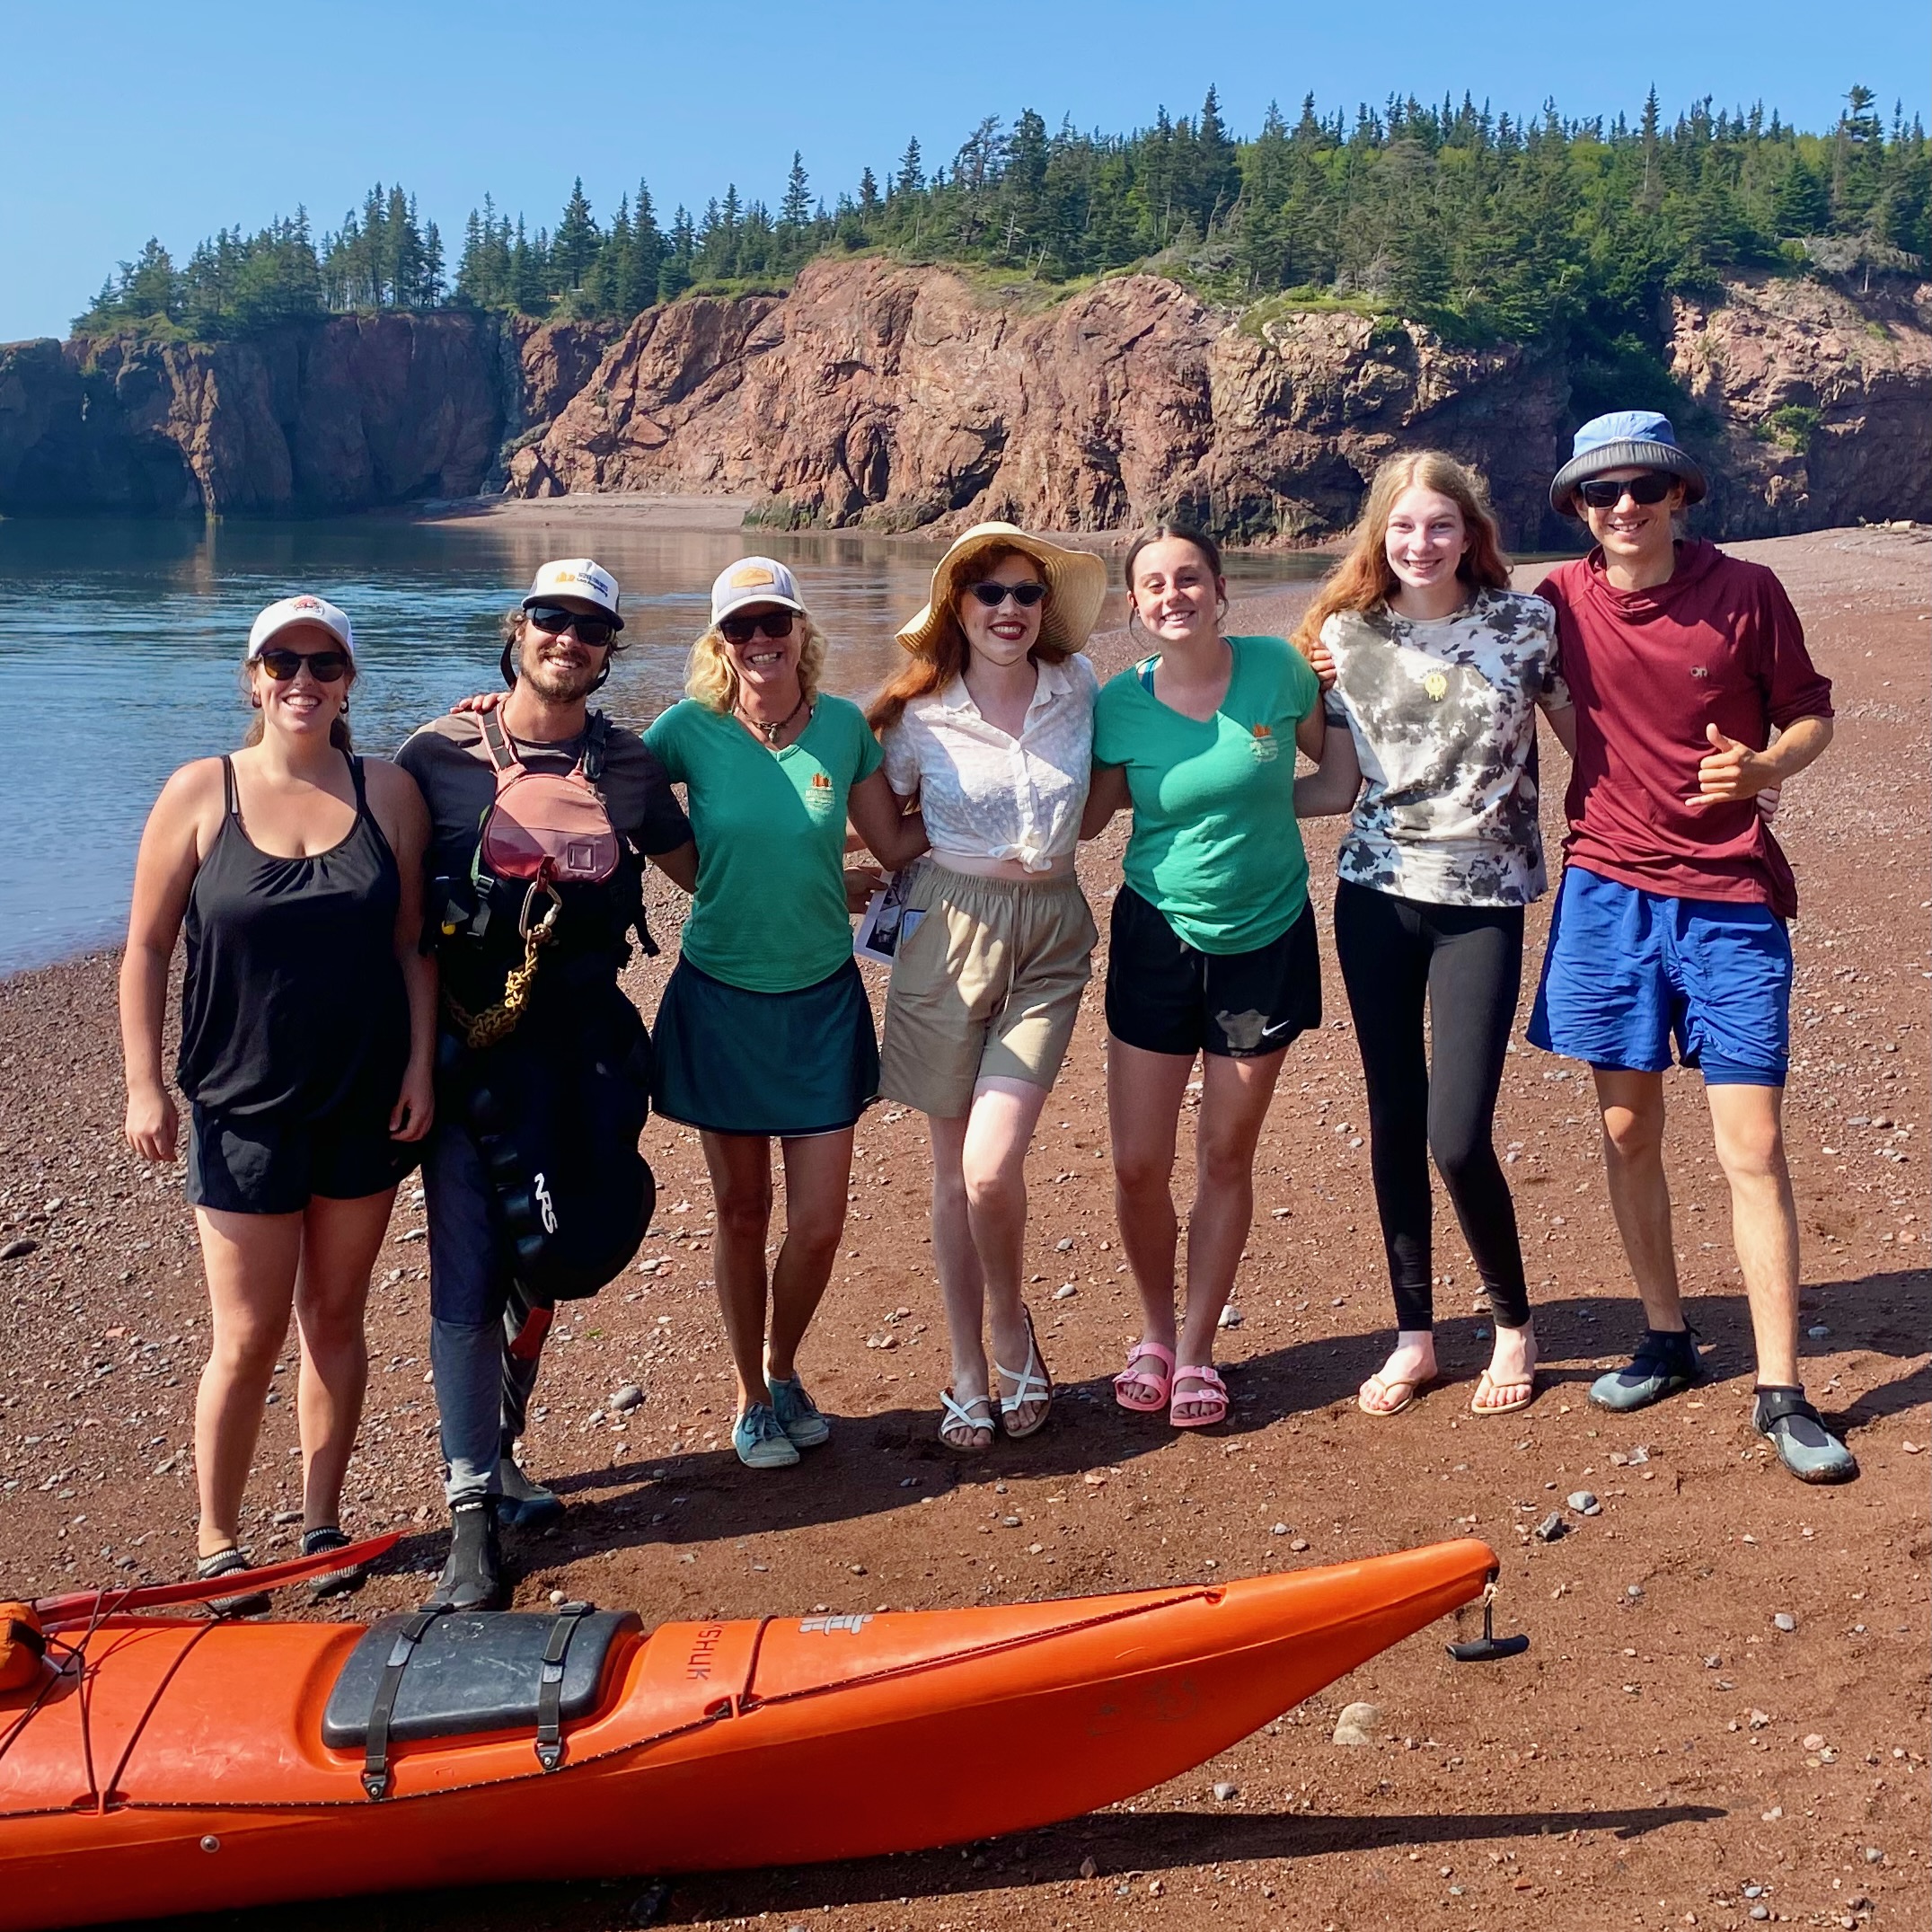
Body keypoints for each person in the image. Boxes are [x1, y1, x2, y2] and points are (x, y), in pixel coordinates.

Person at [1527, 410, 1854, 1483]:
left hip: (1729, 897)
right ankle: (1665, 1335)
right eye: (1600, 492)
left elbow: (1810, 713)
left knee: (1750, 1145)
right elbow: (1442, 642)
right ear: (1578, 507)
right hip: (1606, 890)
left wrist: (1767, 769)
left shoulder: (1747, 591)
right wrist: (1323, 665)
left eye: (1643, 487)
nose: (1624, 507)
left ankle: (1781, 1387)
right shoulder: (1556, 602)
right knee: (1626, 1129)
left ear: (1679, 494)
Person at [120, 594, 435, 1609]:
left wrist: (421, 1066)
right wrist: (143, 1084)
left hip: (360, 1104)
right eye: (283, 663)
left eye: (324, 664)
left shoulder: (387, 792)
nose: (303, 681)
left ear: (349, 683)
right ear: (252, 678)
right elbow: (147, 946)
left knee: (334, 1317)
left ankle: (321, 1523)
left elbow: (414, 948)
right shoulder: (199, 791)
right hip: (240, 1107)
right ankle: (218, 1543)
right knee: (247, 1337)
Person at [400, 559, 696, 1609]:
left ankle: (507, 1447)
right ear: (516, 630)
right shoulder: (433, 756)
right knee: (473, 1266)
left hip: (587, 1048)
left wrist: (856, 873)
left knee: (557, 1249)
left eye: (590, 627)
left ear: (610, 651)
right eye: (550, 619)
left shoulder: (627, 765)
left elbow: (700, 865)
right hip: (471, 1055)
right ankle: (471, 1507)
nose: (568, 637)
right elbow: (379, 904)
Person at [1293, 453, 1575, 1419]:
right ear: (1381, 534)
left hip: (1483, 902)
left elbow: (1599, 742)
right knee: (1392, 1121)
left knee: (1457, 1135)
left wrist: (1728, 784)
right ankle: (1414, 1335)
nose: (1421, 544)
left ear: (1470, 533)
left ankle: (1510, 1324)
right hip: (1375, 894)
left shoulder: (1525, 623)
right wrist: (1203, 810)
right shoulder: (1343, 635)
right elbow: (1334, 787)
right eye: (1404, 528)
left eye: (1440, 526)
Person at [645, 559, 922, 1469]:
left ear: (802, 629)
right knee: (740, 1211)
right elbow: (606, 788)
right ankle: (749, 1396)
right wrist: (488, 728)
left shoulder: (843, 729)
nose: (761, 641)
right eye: (741, 628)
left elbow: (893, 839)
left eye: (776, 623)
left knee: (820, 1222)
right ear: (719, 641)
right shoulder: (688, 731)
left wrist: (1009, 780)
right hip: (720, 997)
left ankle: (783, 1362)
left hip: (820, 1001)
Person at [865, 522, 1109, 1452]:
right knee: (948, 1171)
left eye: (1026, 594)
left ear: (1046, 609)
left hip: (1049, 934)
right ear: (956, 608)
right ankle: (968, 1365)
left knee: (991, 1165)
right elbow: (872, 819)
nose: (1009, 610)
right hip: (945, 930)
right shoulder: (913, 715)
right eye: (989, 594)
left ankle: (1012, 1325)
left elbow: (1142, 747)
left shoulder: (1078, 688)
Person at [1084, 528, 1325, 1427]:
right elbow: (1085, 821)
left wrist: (1262, 803)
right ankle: (1150, 1330)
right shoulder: (1117, 705)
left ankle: (1195, 1352)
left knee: (1226, 1153)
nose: (1173, 595)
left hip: (1265, 940)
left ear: (1221, 588)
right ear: (1135, 605)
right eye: (1154, 585)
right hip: (1156, 935)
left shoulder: (1278, 668)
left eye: (1189, 578)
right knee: (1138, 1161)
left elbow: (1333, 773)